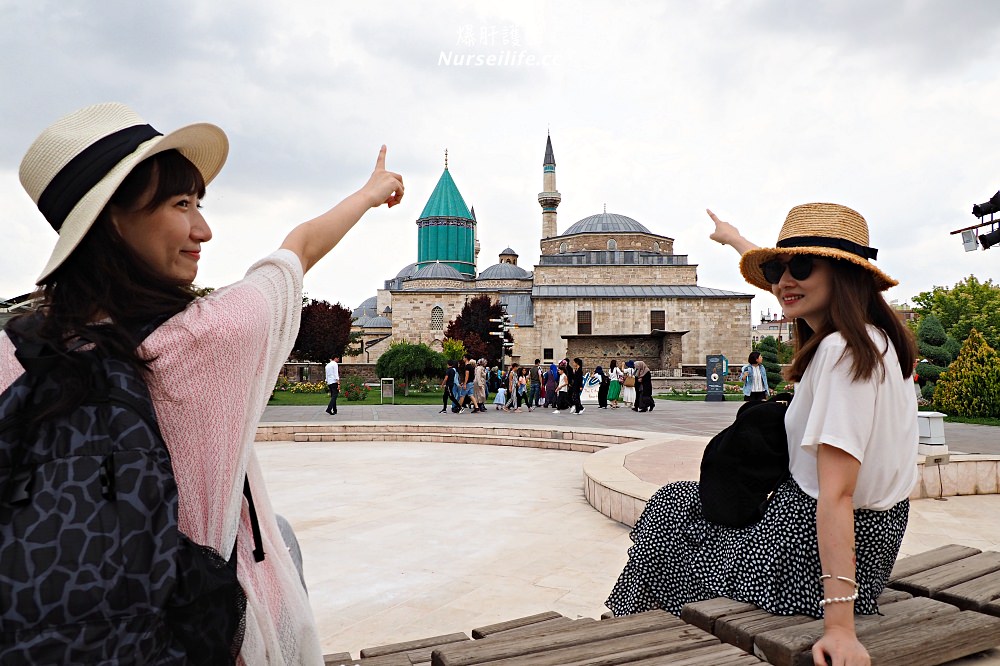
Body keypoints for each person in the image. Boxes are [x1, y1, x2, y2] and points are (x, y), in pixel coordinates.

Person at [0, 102, 403, 664]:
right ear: (112, 221)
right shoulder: (210, 336)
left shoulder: (12, 352)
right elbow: (300, 247)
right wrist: (370, 192)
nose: (203, 229)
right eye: (181, 204)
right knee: (277, 542)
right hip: (196, 642)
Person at [608, 204, 917, 666]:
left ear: (844, 274)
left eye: (802, 266)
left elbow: (836, 496)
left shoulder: (840, 353)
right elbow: (788, 283)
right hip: (868, 547)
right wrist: (735, 239)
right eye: (776, 268)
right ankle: (626, 627)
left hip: (799, 559)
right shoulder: (879, 341)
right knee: (675, 500)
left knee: (667, 525)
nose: (783, 282)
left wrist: (840, 630)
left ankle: (623, 633)